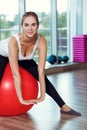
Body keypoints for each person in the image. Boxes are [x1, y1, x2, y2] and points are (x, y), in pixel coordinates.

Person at [0, 11, 81, 116]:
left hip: (23, 59)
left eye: (33, 24)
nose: (30, 28)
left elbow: (41, 72)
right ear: (22, 26)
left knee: (43, 78)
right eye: (26, 25)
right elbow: (16, 75)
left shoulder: (41, 41)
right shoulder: (14, 41)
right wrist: (21, 99)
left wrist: (42, 95)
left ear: (37, 26)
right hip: (2, 55)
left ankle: (64, 107)